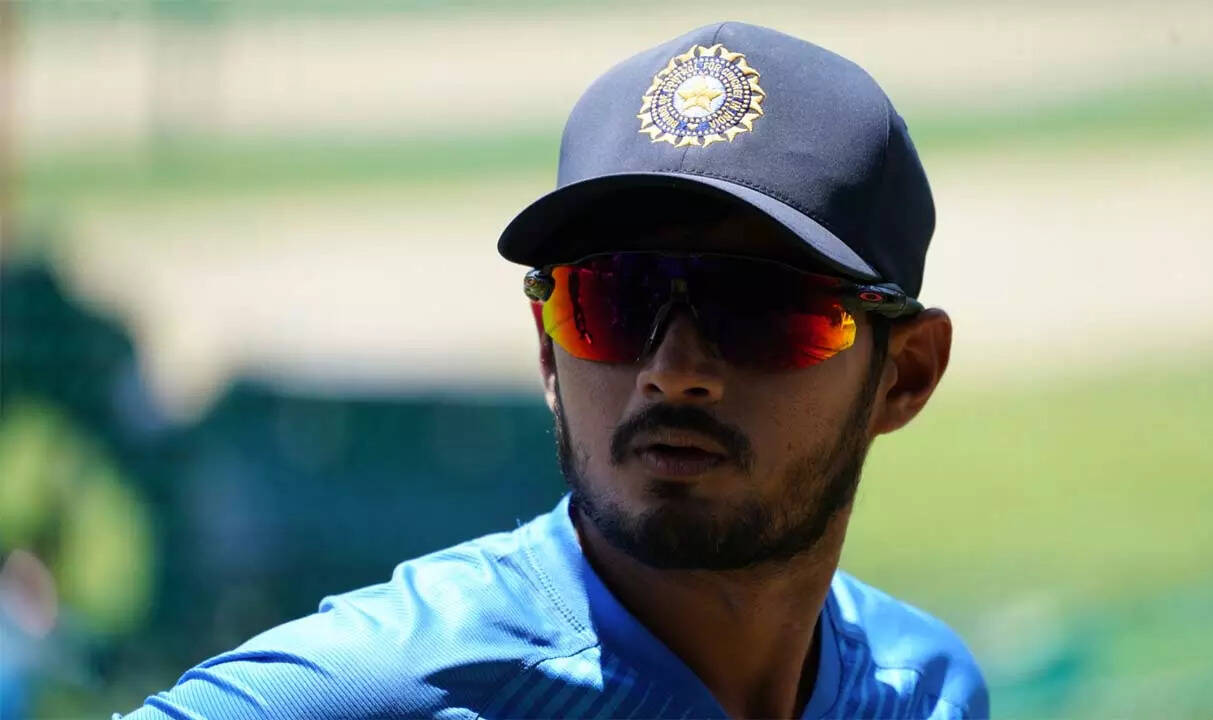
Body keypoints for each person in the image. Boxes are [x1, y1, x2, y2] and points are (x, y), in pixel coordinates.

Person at [121, 22, 988, 719]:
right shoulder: (382, 688)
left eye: (759, 310)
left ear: (905, 375)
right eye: (611, 301)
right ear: (547, 348)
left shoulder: (924, 689)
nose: (672, 371)